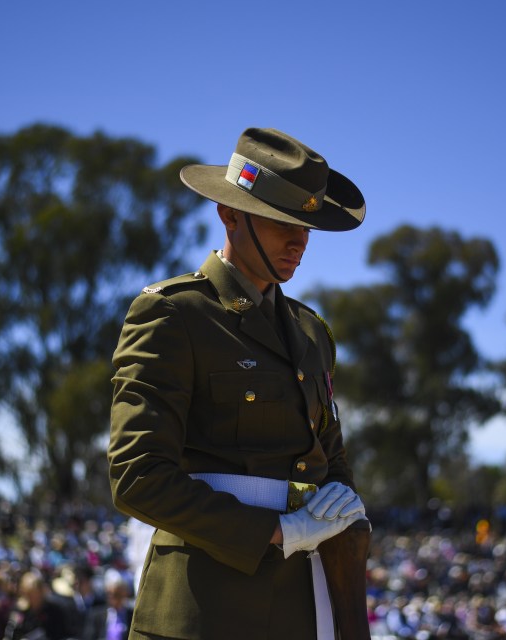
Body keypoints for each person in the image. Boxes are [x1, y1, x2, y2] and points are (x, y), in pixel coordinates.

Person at [108, 127, 370, 639]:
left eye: (307, 226)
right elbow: (138, 478)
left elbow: (328, 452)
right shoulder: (173, 314)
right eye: (281, 223)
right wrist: (275, 531)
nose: (300, 241)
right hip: (203, 606)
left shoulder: (311, 331)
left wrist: (343, 503)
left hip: (302, 603)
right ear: (230, 214)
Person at [2, 573, 66, 640]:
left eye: (36, 594)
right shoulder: (18, 611)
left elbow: (60, 634)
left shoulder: (54, 610)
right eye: (29, 594)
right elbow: (10, 634)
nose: (34, 598)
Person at [80, 572, 131, 640]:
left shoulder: (131, 615)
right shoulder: (96, 615)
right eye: (109, 594)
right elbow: (89, 636)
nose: (111, 597)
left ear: (125, 594)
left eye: (116, 594)